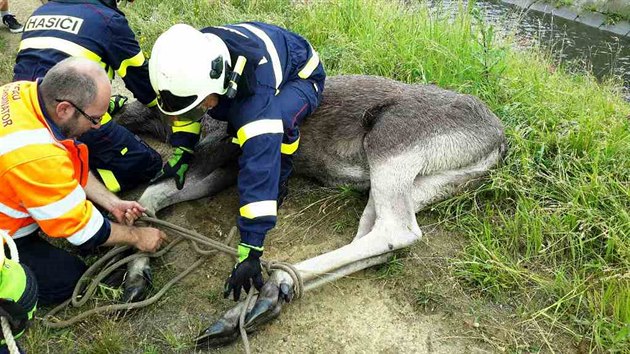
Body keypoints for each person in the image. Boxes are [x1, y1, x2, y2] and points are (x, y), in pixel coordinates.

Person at [149, 22, 325, 300]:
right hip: (259, 66)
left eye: (201, 104)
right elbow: (182, 111)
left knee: (273, 128)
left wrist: (251, 249)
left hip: (302, 77)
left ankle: (285, 173)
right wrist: (183, 150)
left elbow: (260, 164)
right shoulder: (194, 60)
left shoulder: (255, 96)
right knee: (236, 123)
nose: (199, 111)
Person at [0, 57, 167, 306]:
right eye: (95, 119)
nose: (98, 127)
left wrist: (112, 203)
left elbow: (66, 166)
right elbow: (84, 232)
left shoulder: (22, 93)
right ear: (65, 109)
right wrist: (137, 236)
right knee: (67, 280)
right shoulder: (36, 156)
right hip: (7, 233)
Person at [13, 0, 162, 193]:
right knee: (148, 163)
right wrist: (159, 108)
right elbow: (139, 78)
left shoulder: (42, 11)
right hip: (68, 117)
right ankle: (75, 183)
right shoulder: (108, 21)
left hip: (22, 108)